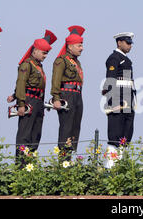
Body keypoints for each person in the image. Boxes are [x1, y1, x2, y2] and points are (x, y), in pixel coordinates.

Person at [14, 30, 57, 166]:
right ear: (36, 50)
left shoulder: (38, 66)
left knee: (36, 134)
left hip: (38, 102)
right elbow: (21, 83)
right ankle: (20, 166)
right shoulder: (27, 65)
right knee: (24, 134)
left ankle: (30, 164)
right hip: (29, 101)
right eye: (44, 53)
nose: (45, 56)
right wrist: (21, 103)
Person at [51, 25, 85, 161]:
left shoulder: (77, 62)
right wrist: (56, 98)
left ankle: (69, 158)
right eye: (79, 45)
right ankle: (63, 161)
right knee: (66, 127)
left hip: (77, 95)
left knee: (75, 128)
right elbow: (56, 80)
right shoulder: (61, 61)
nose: (82, 48)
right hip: (67, 95)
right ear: (70, 46)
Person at [102, 32, 136, 168]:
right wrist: (113, 102)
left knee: (126, 134)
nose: (130, 46)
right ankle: (110, 167)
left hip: (128, 99)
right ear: (119, 43)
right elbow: (110, 80)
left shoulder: (126, 60)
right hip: (118, 100)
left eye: (130, 43)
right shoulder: (114, 58)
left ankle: (121, 165)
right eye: (127, 43)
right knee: (115, 134)